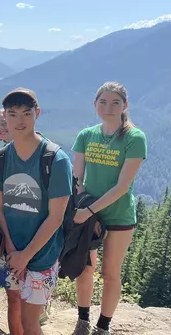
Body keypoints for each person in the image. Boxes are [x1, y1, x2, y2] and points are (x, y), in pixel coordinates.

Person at [0, 88, 73, 335]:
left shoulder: (55, 159)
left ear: (38, 113)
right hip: (10, 251)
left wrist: (25, 256)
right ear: (5, 116)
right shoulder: (0, 159)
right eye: (12, 114)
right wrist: (13, 250)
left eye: (26, 113)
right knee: (14, 308)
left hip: (42, 254)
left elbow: (56, 217)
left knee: (30, 321)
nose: (19, 120)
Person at [71, 82, 147, 335]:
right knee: (85, 268)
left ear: (125, 106)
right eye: (103, 102)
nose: (109, 107)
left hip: (118, 214)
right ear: (95, 105)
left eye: (115, 102)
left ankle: (103, 326)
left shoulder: (134, 138)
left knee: (110, 272)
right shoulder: (86, 135)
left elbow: (123, 186)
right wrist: (82, 203)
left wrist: (88, 212)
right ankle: (83, 320)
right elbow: (77, 178)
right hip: (89, 211)